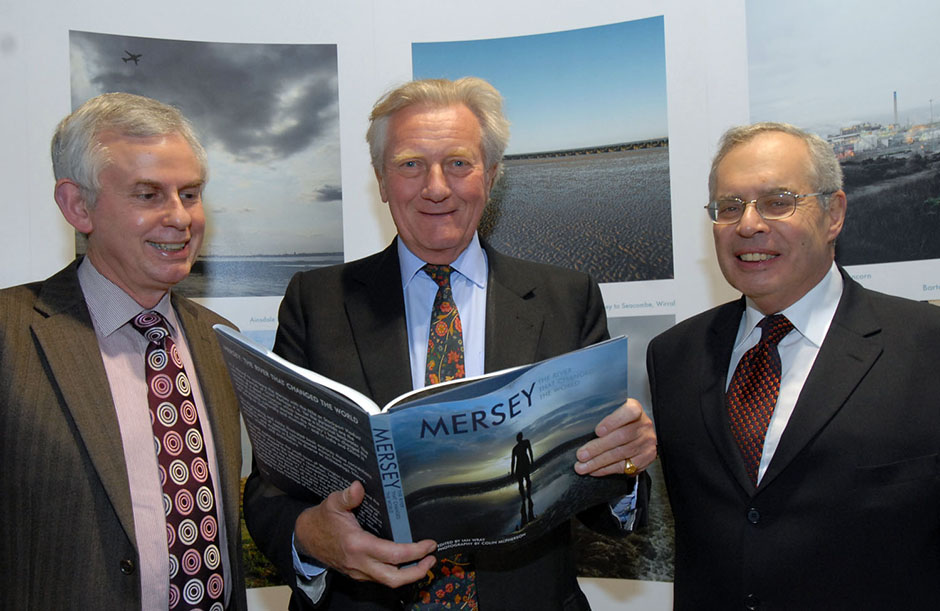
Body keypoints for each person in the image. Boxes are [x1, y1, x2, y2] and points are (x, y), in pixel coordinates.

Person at [244, 77, 656, 610]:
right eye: (411, 164)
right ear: (381, 179)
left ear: (492, 175)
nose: (436, 187)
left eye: (459, 163)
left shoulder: (566, 299)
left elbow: (602, 500)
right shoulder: (315, 303)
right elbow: (271, 488)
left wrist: (624, 461)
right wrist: (310, 537)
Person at [648, 122, 940, 608]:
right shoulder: (674, 355)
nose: (748, 224)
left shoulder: (926, 348)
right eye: (729, 207)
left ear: (834, 215)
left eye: (778, 201)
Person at [0, 92, 247, 610]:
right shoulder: (10, 334)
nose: (180, 218)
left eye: (190, 193)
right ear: (77, 205)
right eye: (148, 194)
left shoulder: (222, 340)